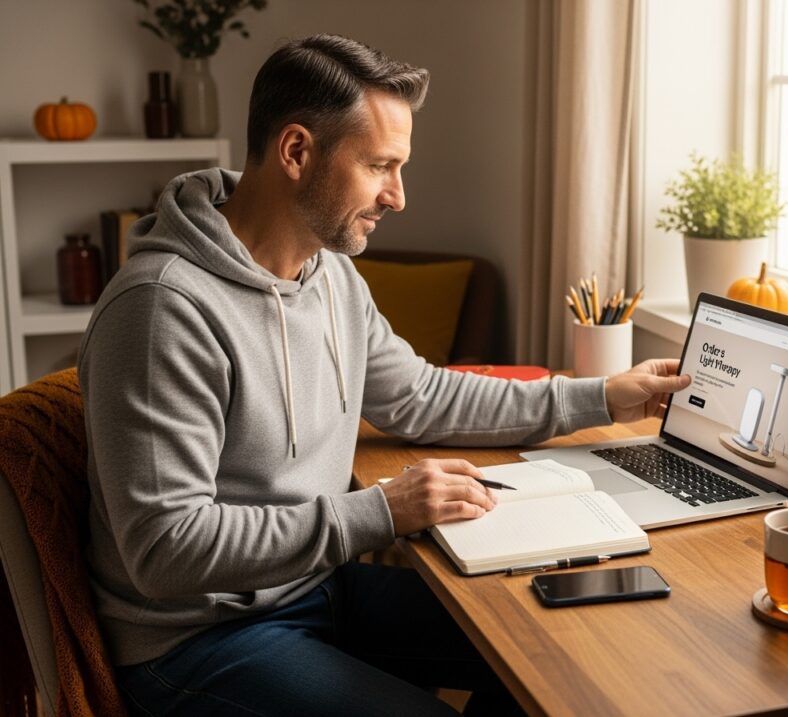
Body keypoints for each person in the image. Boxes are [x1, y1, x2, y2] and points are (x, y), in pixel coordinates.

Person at [78, 34, 691, 716]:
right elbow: (167, 550)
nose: (398, 195)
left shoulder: (330, 271)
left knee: (547, 649)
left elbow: (422, 395)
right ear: (296, 151)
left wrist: (604, 396)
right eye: (380, 166)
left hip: (315, 587)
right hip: (199, 638)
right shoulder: (163, 309)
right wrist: (383, 511)